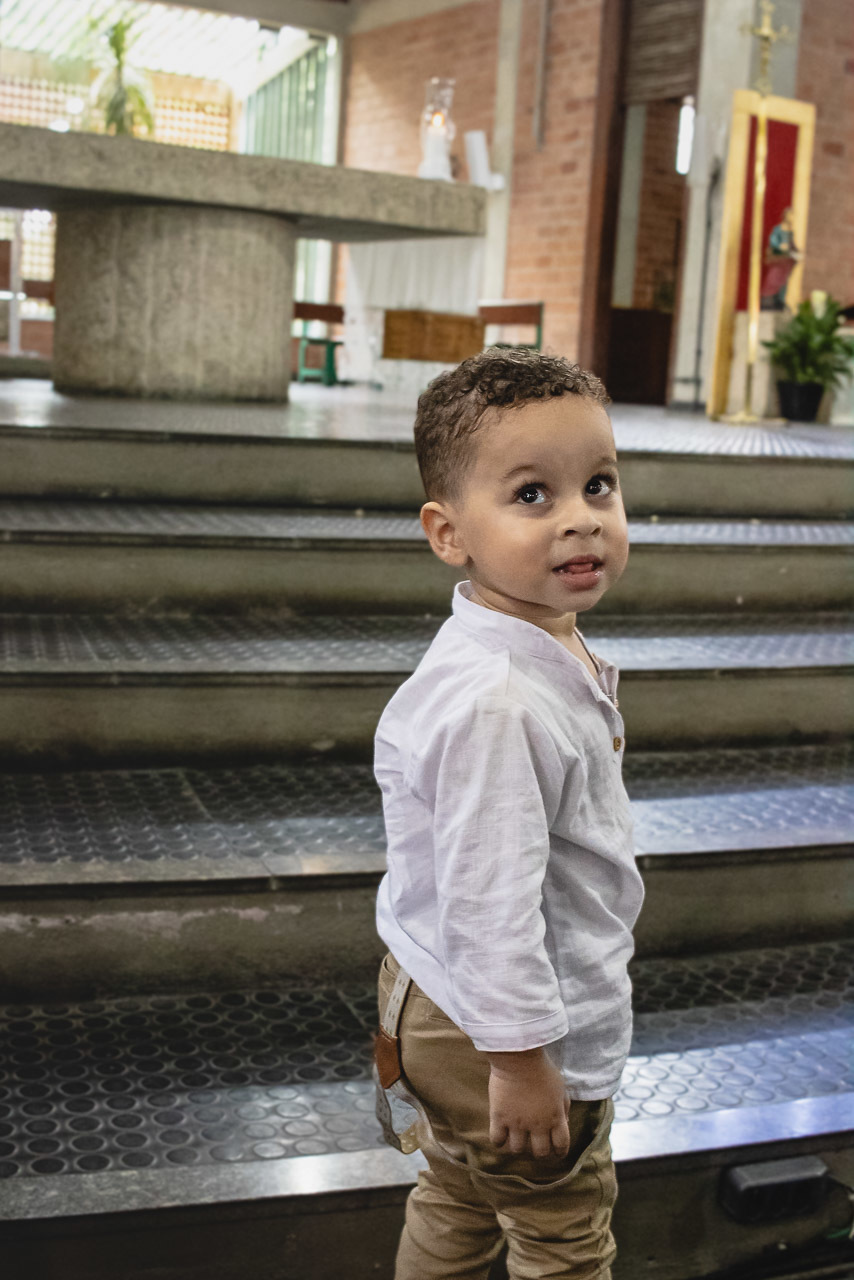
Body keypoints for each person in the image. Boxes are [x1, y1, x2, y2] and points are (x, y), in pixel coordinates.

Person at [373, 347, 645, 1280]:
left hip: (446, 1003)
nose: (581, 519)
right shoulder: (497, 700)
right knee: (563, 1234)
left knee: (456, 1195)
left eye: (599, 485)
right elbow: (489, 900)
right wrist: (524, 1063)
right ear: (449, 533)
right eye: (533, 495)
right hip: (498, 1025)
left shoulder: (530, 647)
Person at [760, 206, 802, 311]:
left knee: (783, 283)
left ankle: (779, 300)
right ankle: (767, 299)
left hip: (786, 263)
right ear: (785, 216)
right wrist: (780, 246)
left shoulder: (790, 232)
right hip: (778, 260)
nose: (791, 218)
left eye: (792, 216)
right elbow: (773, 241)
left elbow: (792, 246)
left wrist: (797, 252)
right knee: (773, 279)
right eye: (789, 216)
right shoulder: (778, 229)